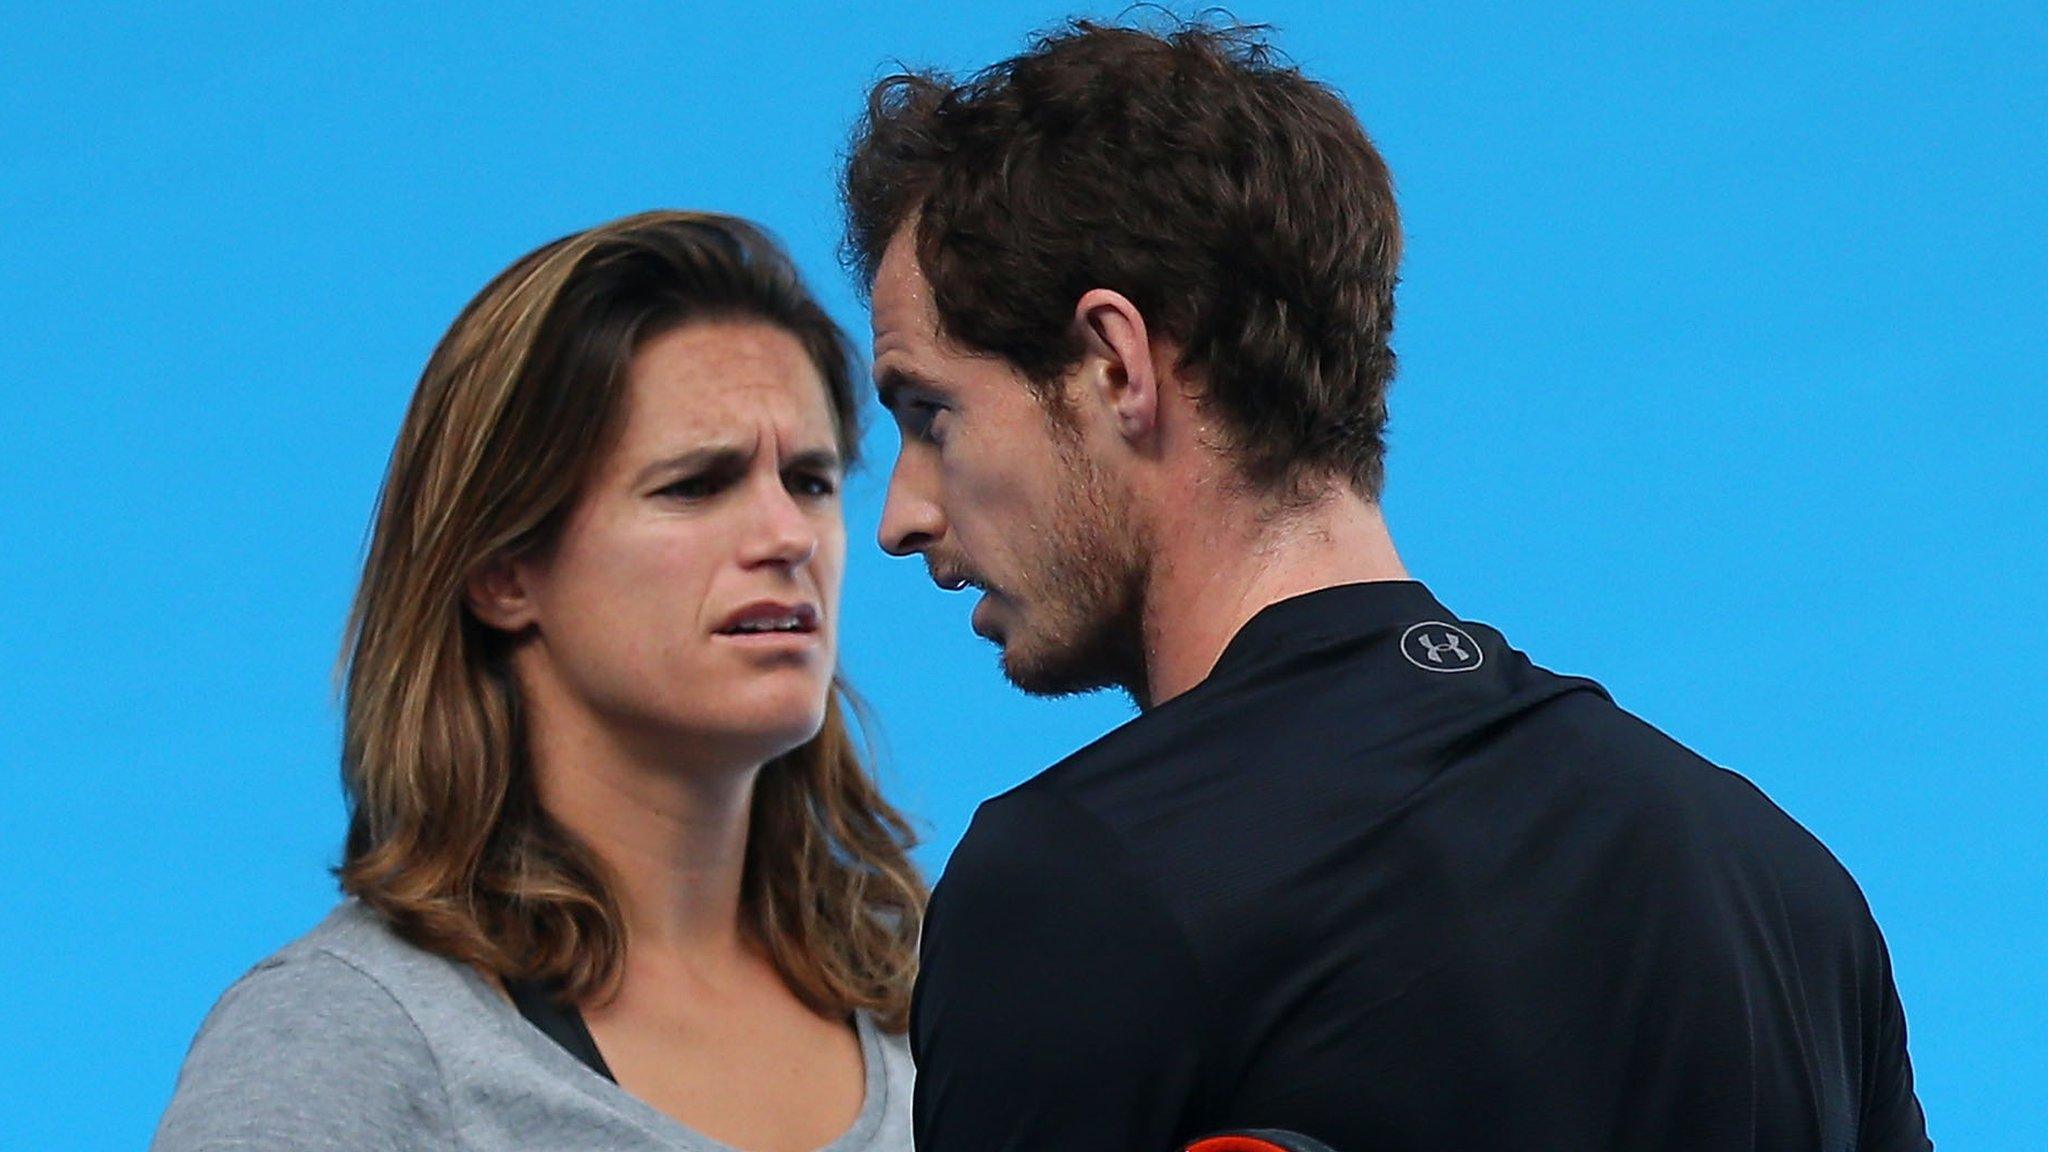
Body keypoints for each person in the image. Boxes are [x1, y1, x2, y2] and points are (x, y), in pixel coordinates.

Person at [841, 19, 1930, 1152]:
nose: (900, 516)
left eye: (930, 414)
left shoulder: (1069, 891)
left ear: (1116, 365)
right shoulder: (1789, 895)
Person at [153, 211, 924, 1152]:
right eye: (696, 484)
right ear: (503, 570)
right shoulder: (350, 1040)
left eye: (809, 479)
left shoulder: (935, 1007)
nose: (789, 536)